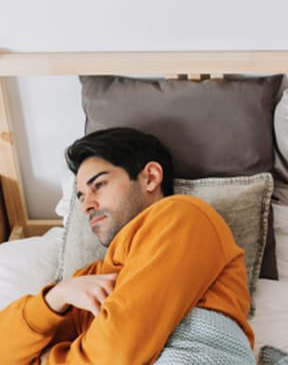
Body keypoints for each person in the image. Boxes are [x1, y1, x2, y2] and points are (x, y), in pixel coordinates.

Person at [0, 127, 255, 364]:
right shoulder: (92, 280)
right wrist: (54, 298)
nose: (86, 205)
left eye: (99, 185)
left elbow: (117, 353)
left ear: (151, 177)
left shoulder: (183, 216)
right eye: (81, 196)